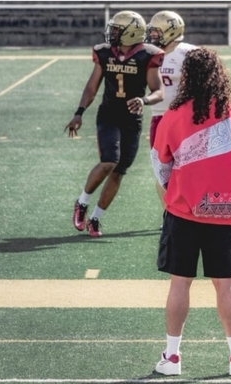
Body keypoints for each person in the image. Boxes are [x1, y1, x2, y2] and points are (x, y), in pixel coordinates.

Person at [151, 47, 231, 377]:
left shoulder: (173, 114)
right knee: (225, 287)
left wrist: (177, 192)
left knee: (179, 284)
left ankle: (172, 357)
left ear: (187, 78)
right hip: (225, 214)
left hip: (182, 211)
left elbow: (160, 165)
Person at [64, 10, 164, 237]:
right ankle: (82, 202)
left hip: (132, 119)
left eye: (118, 29)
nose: (113, 33)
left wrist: (144, 100)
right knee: (109, 161)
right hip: (109, 114)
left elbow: (159, 91)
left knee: (119, 171)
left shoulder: (148, 55)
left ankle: (96, 219)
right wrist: (79, 112)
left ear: (131, 33)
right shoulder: (105, 53)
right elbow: (92, 86)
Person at [145, 10, 197, 211]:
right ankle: (169, 213)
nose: (153, 37)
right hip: (158, 118)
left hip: (186, 120)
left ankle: (189, 210)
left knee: (188, 168)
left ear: (171, 32)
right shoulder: (147, 54)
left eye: (157, 33)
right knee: (162, 171)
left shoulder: (189, 54)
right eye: (152, 32)